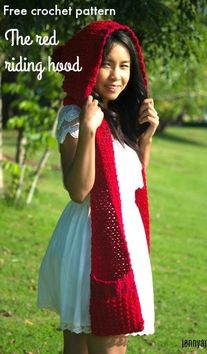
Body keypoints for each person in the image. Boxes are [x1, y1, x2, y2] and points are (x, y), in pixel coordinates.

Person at [37, 20, 159, 354]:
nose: (117, 76)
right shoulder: (76, 116)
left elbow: (130, 186)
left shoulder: (121, 117)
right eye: (107, 64)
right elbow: (78, 190)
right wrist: (90, 131)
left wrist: (144, 140)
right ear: (92, 65)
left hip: (122, 237)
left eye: (125, 66)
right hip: (90, 243)